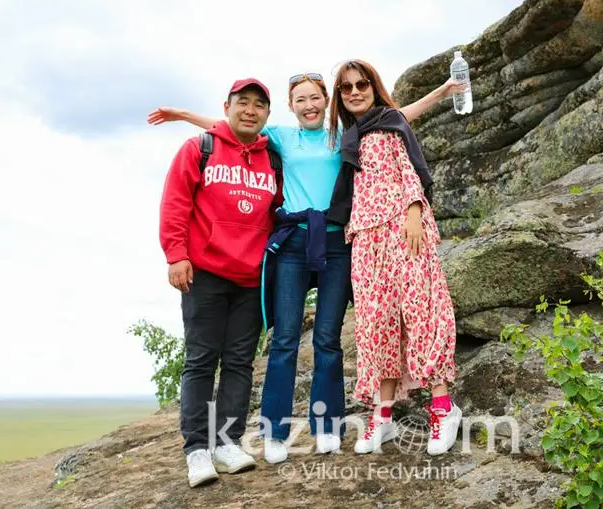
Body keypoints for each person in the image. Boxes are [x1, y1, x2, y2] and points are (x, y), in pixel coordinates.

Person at [149, 74, 463, 463]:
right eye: (301, 99)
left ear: (326, 100)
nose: (309, 105)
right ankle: (275, 432)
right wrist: (183, 115)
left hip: (336, 243)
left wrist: (443, 91)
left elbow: (399, 116)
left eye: (315, 98)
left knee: (327, 339)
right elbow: (230, 126)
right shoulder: (281, 136)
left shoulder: (346, 133)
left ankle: (327, 427)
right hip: (294, 244)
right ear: (291, 105)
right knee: (284, 339)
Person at [325, 59, 460, 456]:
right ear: (339, 97)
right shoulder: (348, 136)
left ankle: (443, 408)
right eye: (346, 87)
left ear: (374, 86)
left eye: (362, 84)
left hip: (404, 226)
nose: (355, 91)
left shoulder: (389, 122)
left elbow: (408, 167)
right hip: (365, 237)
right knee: (376, 323)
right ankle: (382, 417)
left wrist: (415, 212)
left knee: (422, 311)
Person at [159, 78, 282, 487]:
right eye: (243, 102)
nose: (250, 110)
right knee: (200, 360)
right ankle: (196, 449)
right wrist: (176, 254)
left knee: (239, 362)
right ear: (226, 107)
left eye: (259, 105)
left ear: (267, 114)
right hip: (205, 272)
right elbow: (175, 202)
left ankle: (227, 443)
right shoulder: (200, 148)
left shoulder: (273, 158)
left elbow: (279, 211)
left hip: (251, 278)